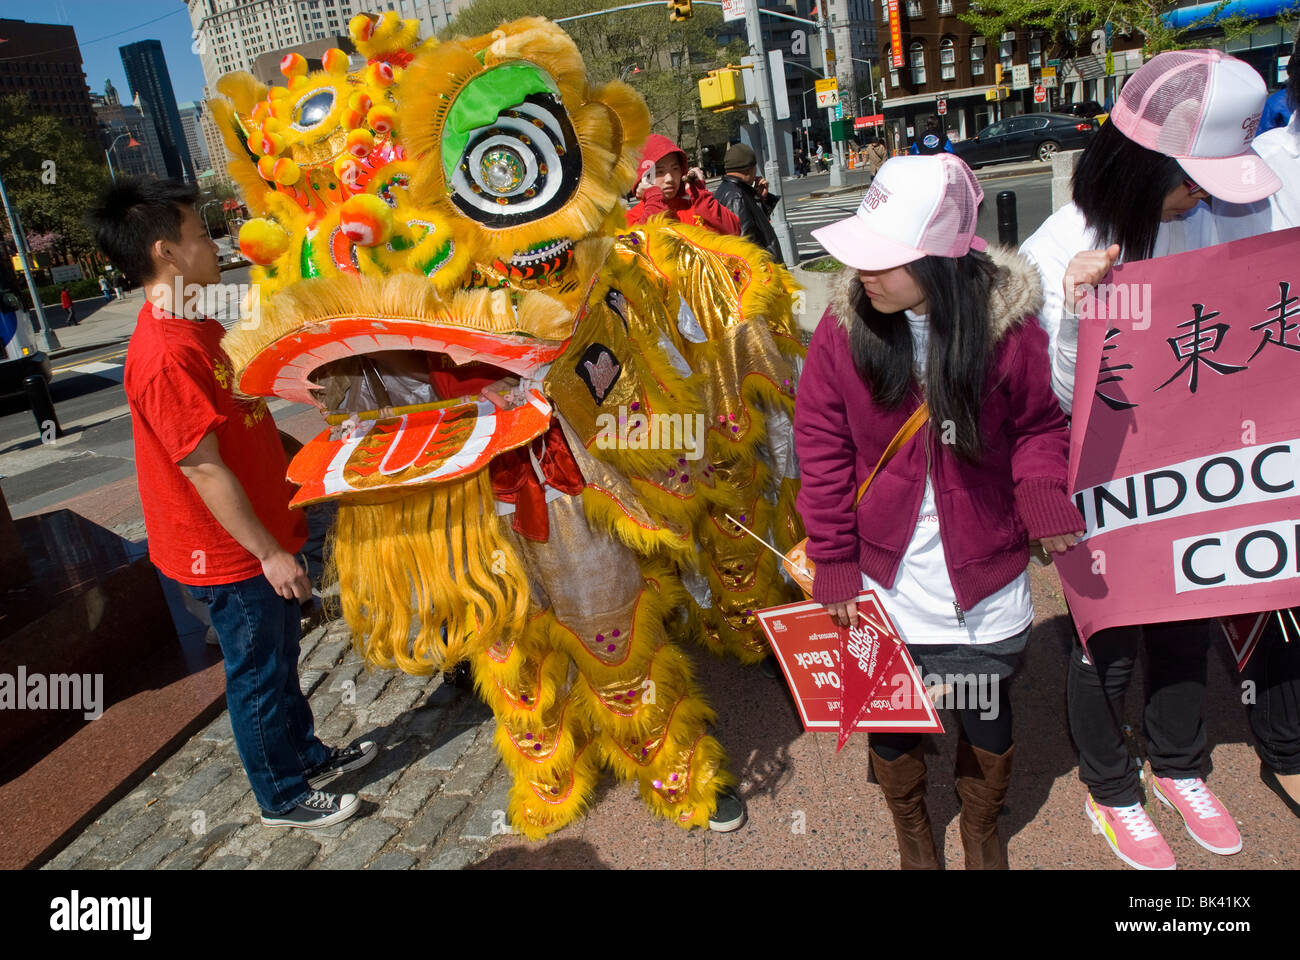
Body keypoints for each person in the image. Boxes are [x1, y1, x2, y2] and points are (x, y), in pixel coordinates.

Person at [1019, 49, 1283, 869]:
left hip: (1194, 470)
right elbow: (1049, 404)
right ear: (1140, 168)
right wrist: (1075, 315)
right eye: (1192, 180)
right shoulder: (1061, 249)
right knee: (1110, 637)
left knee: (1190, 613)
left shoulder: (1229, 216)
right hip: (1101, 480)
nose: (1203, 197)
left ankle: (1181, 764)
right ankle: (1111, 788)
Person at [796, 154, 1085, 870]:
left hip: (983, 575)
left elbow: (1041, 428)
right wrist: (832, 559)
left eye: (885, 259)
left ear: (942, 259)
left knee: (985, 708)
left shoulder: (1007, 331)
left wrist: (1042, 490)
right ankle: (912, 832)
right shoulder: (845, 329)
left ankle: (981, 825)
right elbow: (822, 446)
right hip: (884, 576)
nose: (865, 272)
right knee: (891, 715)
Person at [88, 177, 377, 830]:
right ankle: (282, 795)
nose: (214, 245)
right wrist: (270, 553)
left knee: (280, 658)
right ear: (166, 252)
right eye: (199, 235)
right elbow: (203, 469)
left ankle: (303, 753)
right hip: (228, 553)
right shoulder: (162, 354)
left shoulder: (196, 318)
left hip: (262, 528)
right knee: (256, 674)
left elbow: (242, 417)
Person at [625, 133, 740, 234]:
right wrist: (654, 199)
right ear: (644, 177)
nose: (669, 178)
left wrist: (701, 195)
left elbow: (734, 230)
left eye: (675, 169)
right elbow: (636, 244)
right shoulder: (632, 217)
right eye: (660, 171)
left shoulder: (695, 207)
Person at [713, 142, 782, 262]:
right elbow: (747, 242)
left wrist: (760, 198)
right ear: (748, 170)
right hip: (761, 272)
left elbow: (755, 227)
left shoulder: (728, 190)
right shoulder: (737, 197)